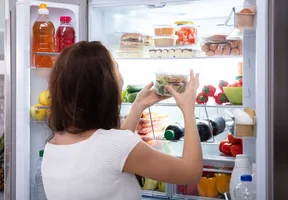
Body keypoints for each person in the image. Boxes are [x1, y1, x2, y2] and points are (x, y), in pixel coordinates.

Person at [41, 41, 203, 199]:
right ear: (104, 87)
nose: (122, 78)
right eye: (117, 70)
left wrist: (138, 106)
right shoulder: (115, 146)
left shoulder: (53, 143)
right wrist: (188, 110)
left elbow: (109, 156)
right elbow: (191, 172)